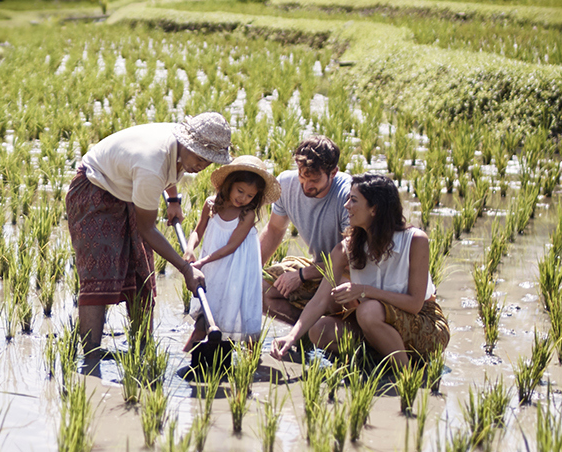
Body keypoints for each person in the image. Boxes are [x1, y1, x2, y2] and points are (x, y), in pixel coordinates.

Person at [66, 111, 232, 359]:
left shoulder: (176, 150)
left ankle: (142, 348)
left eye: (208, 161)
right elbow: (147, 228)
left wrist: (173, 199)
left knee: (141, 270)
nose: (201, 166)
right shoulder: (151, 164)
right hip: (95, 188)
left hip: (128, 187)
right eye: (199, 158)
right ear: (186, 143)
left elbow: (170, 167)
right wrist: (186, 269)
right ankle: (91, 354)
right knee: (98, 273)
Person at [269, 173, 450, 368]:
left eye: (353, 200)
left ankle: (406, 372)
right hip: (372, 322)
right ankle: (379, 357)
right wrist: (291, 336)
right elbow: (320, 300)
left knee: (368, 310)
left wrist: (365, 291)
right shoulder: (345, 249)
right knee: (319, 330)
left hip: (424, 323)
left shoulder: (414, 240)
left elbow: (415, 304)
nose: (346, 206)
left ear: (374, 209)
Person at [183, 156, 278, 352]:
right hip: (213, 266)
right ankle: (186, 356)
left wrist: (202, 262)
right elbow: (198, 230)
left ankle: (253, 363)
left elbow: (232, 246)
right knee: (205, 317)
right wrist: (190, 248)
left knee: (239, 313)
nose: (243, 198)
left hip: (237, 269)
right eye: (240, 191)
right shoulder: (212, 204)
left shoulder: (247, 214)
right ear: (229, 184)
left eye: (250, 196)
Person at [258, 135, 352, 329]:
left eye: (315, 180)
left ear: (333, 172)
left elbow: (351, 259)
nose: (307, 186)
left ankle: (338, 335)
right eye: (302, 176)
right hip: (316, 268)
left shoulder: (348, 195)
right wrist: (249, 270)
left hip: (348, 273)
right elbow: (275, 230)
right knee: (258, 289)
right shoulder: (286, 183)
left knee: (337, 291)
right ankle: (306, 334)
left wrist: (302, 275)